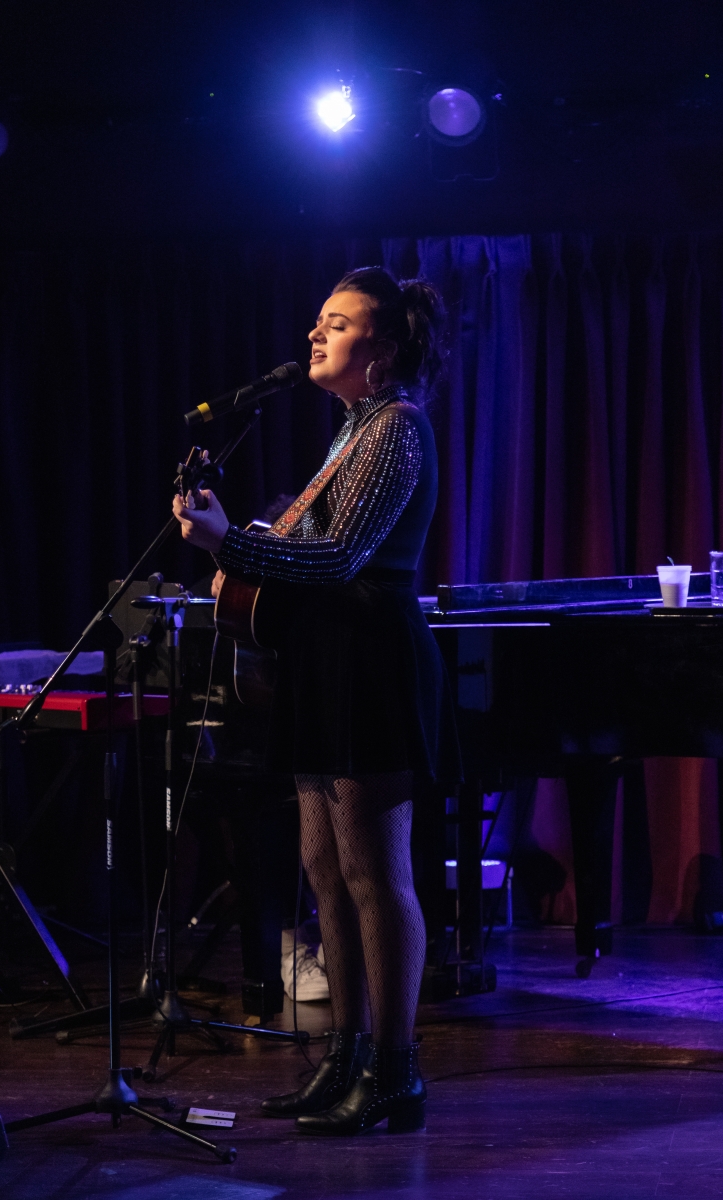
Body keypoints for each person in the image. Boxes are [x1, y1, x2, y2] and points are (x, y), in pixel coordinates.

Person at [173, 265, 461, 1136]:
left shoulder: (397, 430)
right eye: (317, 320)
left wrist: (234, 545)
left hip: (369, 663)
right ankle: (343, 1058)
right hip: (325, 662)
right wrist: (238, 541)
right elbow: (308, 553)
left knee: (376, 875)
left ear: (382, 349)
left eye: (337, 324)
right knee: (324, 870)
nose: (314, 333)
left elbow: (339, 563)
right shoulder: (351, 433)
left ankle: (396, 1072)